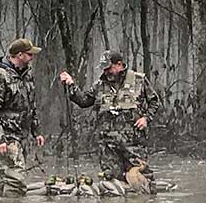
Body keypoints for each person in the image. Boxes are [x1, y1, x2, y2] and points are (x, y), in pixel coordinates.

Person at [59, 50, 160, 190]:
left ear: (119, 65)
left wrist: (146, 118)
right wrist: (71, 85)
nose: (106, 72)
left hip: (133, 143)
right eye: (104, 69)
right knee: (111, 184)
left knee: (142, 181)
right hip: (108, 146)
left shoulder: (138, 79)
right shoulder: (99, 85)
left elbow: (155, 102)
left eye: (109, 68)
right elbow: (83, 101)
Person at [0, 38, 46, 197]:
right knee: (16, 178)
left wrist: (36, 131)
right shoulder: (0, 75)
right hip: (7, 135)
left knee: (7, 176)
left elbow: (31, 104)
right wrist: (0, 139)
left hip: (21, 134)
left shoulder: (27, 74)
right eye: (29, 54)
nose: (32, 57)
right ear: (20, 55)